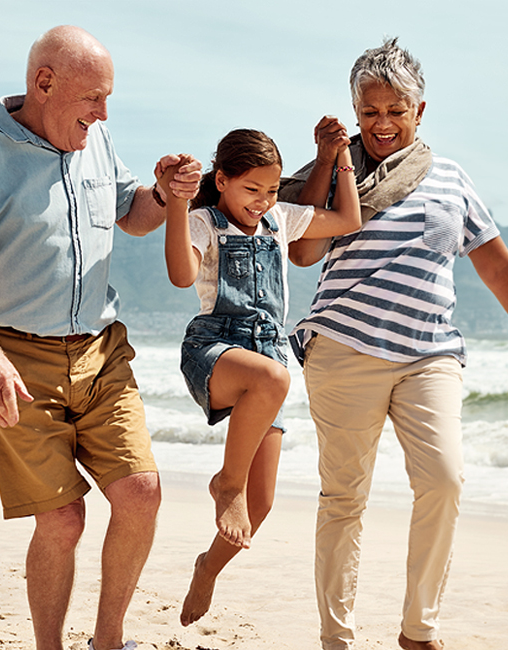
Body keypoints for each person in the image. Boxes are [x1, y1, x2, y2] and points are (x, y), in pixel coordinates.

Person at [280, 39, 508, 650]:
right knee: (344, 496)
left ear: (420, 110)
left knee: (444, 481)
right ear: (355, 111)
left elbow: (497, 268)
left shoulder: (452, 179)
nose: (382, 124)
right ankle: (337, 638)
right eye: (369, 112)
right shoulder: (338, 171)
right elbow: (301, 251)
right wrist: (329, 160)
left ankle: (418, 631)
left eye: (395, 111)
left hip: (430, 354)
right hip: (344, 349)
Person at [0, 25, 202, 650]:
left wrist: (164, 192)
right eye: (95, 98)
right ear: (44, 83)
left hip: (102, 352)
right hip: (17, 359)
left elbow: (134, 215)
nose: (104, 114)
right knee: (62, 519)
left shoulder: (96, 138)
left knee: (141, 493)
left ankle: (109, 642)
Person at [156, 129, 361, 626]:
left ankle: (207, 568)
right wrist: (179, 205)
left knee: (263, 502)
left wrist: (337, 160)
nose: (263, 200)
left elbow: (348, 219)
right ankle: (227, 486)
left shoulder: (279, 220)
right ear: (221, 181)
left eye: (270, 190)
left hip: (267, 357)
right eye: (252, 189)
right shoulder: (205, 221)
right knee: (272, 379)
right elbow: (182, 276)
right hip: (215, 349)